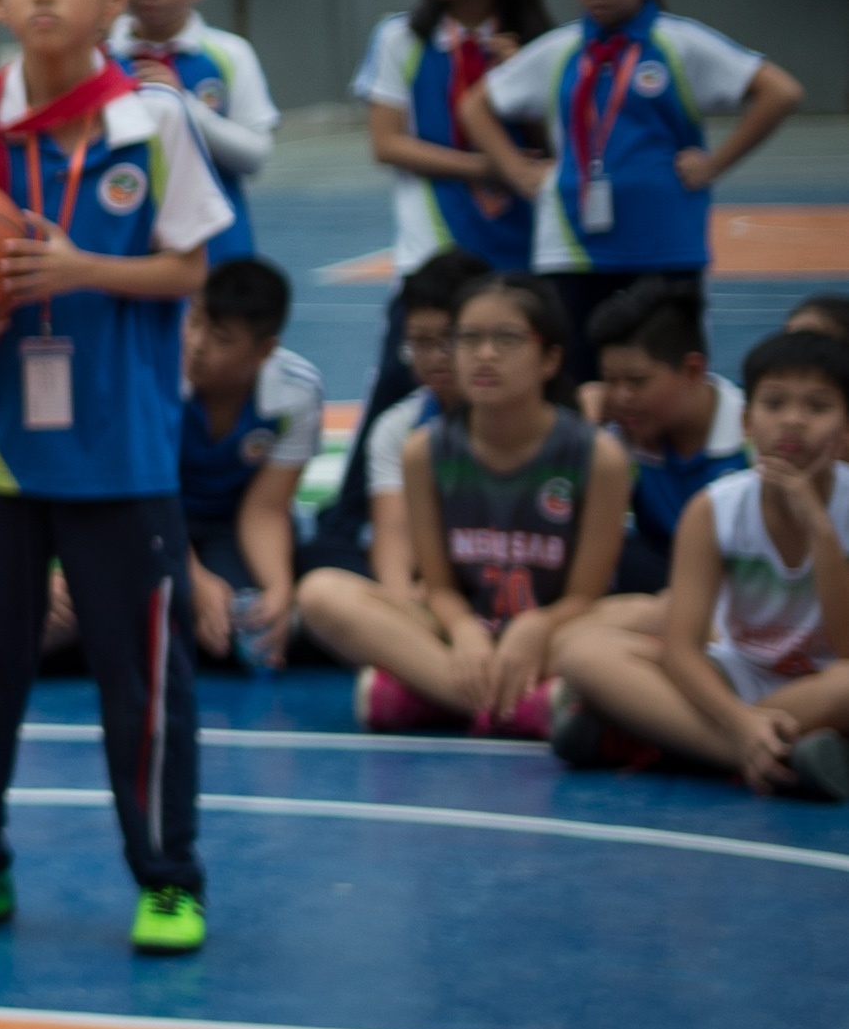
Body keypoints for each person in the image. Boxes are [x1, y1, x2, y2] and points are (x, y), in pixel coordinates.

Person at [0, 0, 230, 956]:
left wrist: (81, 267)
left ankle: (168, 878)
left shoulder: (155, 120)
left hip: (122, 451)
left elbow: (191, 265)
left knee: (145, 680)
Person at [464, 0, 803, 354]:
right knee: (576, 377)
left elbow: (780, 92)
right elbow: (476, 105)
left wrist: (714, 165)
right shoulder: (559, 51)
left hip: (665, 247)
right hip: (571, 249)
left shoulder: (678, 43)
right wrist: (517, 171)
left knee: (666, 375)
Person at [303, 274, 626, 739]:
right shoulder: (424, 451)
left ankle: (424, 696)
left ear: (551, 358)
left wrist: (536, 626)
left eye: (507, 339)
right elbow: (438, 586)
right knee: (321, 593)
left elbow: (584, 597)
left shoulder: (596, 456)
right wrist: (465, 631)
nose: (485, 354)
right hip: (457, 633)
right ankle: (524, 707)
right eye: (469, 339)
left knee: (649, 613)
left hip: (552, 635)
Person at [549, 329, 849, 801]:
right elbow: (684, 649)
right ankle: (771, 755)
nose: (793, 421)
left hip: (822, 688)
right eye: (775, 405)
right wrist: (740, 724)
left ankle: (645, 736)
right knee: (583, 653)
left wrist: (821, 529)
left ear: (846, 428)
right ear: (748, 422)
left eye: (817, 407)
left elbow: (846, 648)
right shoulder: (715, 509)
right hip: (734, 676)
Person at [356, 0, 552, 281]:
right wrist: (484, 167)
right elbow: (386, 143)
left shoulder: (541, 46)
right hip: (430, 250)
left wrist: (527, 80)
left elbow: (560, 143)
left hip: (528, 246)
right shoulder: (401, 39)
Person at [304, 250, 488, 606]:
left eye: (447, 340)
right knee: (318, 566)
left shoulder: (519, 417)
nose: (435, 357)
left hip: (507, 576)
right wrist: (403, 600)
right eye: (419, 343)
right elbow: (392, 535)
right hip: (426, 579)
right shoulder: (397, 426)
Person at [176, 256, 322, 674]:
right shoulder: (156, 377)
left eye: (221, 338)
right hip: (149, 517)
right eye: (194, 322)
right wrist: (195, 581)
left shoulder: (297, 392)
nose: (197, 344)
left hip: (229, 524)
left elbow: (266, 509)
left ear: (265, 349)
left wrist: (280, 589)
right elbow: (147, 496)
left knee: (247, 620)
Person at [112, 0, 279, 264]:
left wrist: (185, 107)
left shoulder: (229, 54)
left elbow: (255, 155)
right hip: (124, 245)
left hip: (219, 249)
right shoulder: (99, 55)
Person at [583, 280, 745, 598]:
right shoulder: (617, 439)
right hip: (662, 590)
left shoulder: (751, 442)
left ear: (693, 369)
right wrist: (583, 433)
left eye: (636, 381)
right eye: (609, 380)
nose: (619, 397)